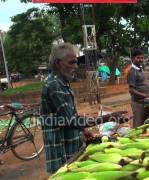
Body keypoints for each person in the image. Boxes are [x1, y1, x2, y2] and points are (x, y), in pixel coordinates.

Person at [40, 43, 127, 173]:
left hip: (70, 144)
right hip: (61, 149)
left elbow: (68, 117)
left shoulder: (62, 82)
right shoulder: (54, 85)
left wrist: (83, 130)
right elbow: (72, 121)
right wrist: (109, 117)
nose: (76, 66)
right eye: (72, 62)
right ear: (58, 63)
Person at [127, 49, 149, 128]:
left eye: (142, 58)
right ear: (132, 59)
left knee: (147, 121)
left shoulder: (140, 68)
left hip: (145, 101)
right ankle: (135, 139)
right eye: (138, 58)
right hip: (138, 103)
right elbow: (131, 90)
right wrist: (144, 95)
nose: (140, 60)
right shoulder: (132, 71)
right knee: (138, 124)